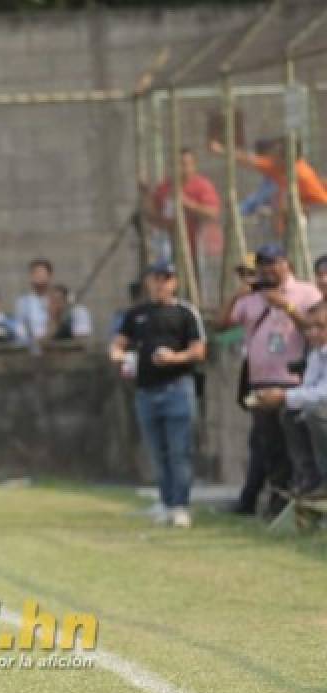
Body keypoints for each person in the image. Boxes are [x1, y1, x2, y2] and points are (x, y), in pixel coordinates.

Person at [217, 244, 322, 513]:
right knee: (268, 445)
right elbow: (221, 324)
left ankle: (287, 500)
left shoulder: (306, 293)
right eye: (263, 266)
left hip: (294, 383)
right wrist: (236, 296)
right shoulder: (253, 296)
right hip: (261, 382)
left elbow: (314, 330)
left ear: (285, 263)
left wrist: (285, 306)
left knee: (294, 445)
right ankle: (274, 501)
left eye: (273, 264)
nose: (267, 271)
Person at [110, 260, 207, 528]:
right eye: (156, 278)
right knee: (157, 452)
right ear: (148, 282)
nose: (160, 284)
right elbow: (118, 345)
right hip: (146, 391)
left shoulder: (185, 313)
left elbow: (199, 351)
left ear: (174, 282)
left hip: (177, 387)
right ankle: (166, 502)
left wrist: (175, 358)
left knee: (180, 450)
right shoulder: (136, 315)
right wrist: (123, 358)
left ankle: (180, 504)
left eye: (166, 278)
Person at [252, 302, 327, 500]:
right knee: (290, 413)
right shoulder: (316, 355)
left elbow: (324, 393)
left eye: (320, 327)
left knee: (315, 412)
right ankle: (308, 478)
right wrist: (276, 396)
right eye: (310, 327)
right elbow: (308, 389)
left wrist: (284, 395)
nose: (313, 333)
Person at [140, 147, 223, 281]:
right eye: (176, 164)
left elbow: (212, 213)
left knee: (198, 282)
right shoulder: (165, 187)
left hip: (198, 247)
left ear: (193, 166)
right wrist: (147, 195)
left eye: (184, 164)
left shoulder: (201, 186)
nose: (180, 168)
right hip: (170, 246)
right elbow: (155, 217)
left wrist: (186, 203)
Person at [14, 258, 55, 344]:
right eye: (34, 273)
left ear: (49, 275)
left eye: (41, 273)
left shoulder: (57, 299)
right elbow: (20, 329)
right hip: (31, 347)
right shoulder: (23, 302)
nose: (38, 276)